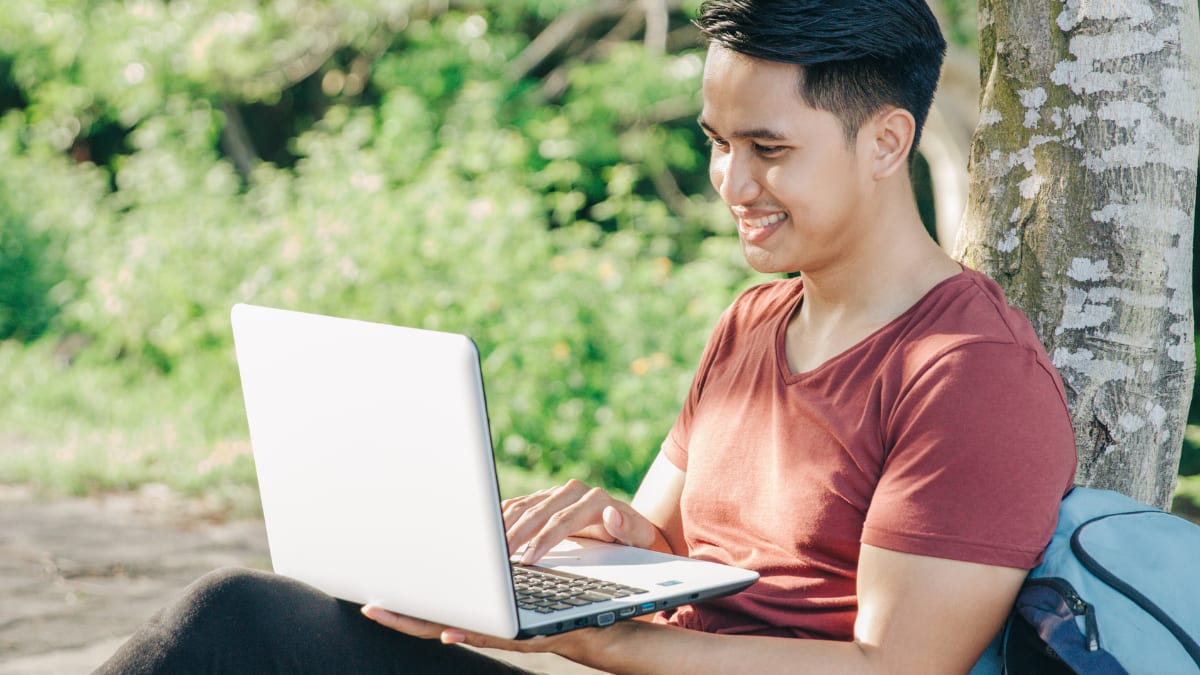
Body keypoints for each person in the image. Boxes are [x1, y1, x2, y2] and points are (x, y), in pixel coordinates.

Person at [97, 1, 1077, 673]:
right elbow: (665, 545)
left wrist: (599, 645)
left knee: (236, 629)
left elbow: (897, 666)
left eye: (767, 150)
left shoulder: (968, 372)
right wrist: (587, 545)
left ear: (886, 143)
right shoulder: (755, 323)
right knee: (249, 623)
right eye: (716, 142)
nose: (729, 185)